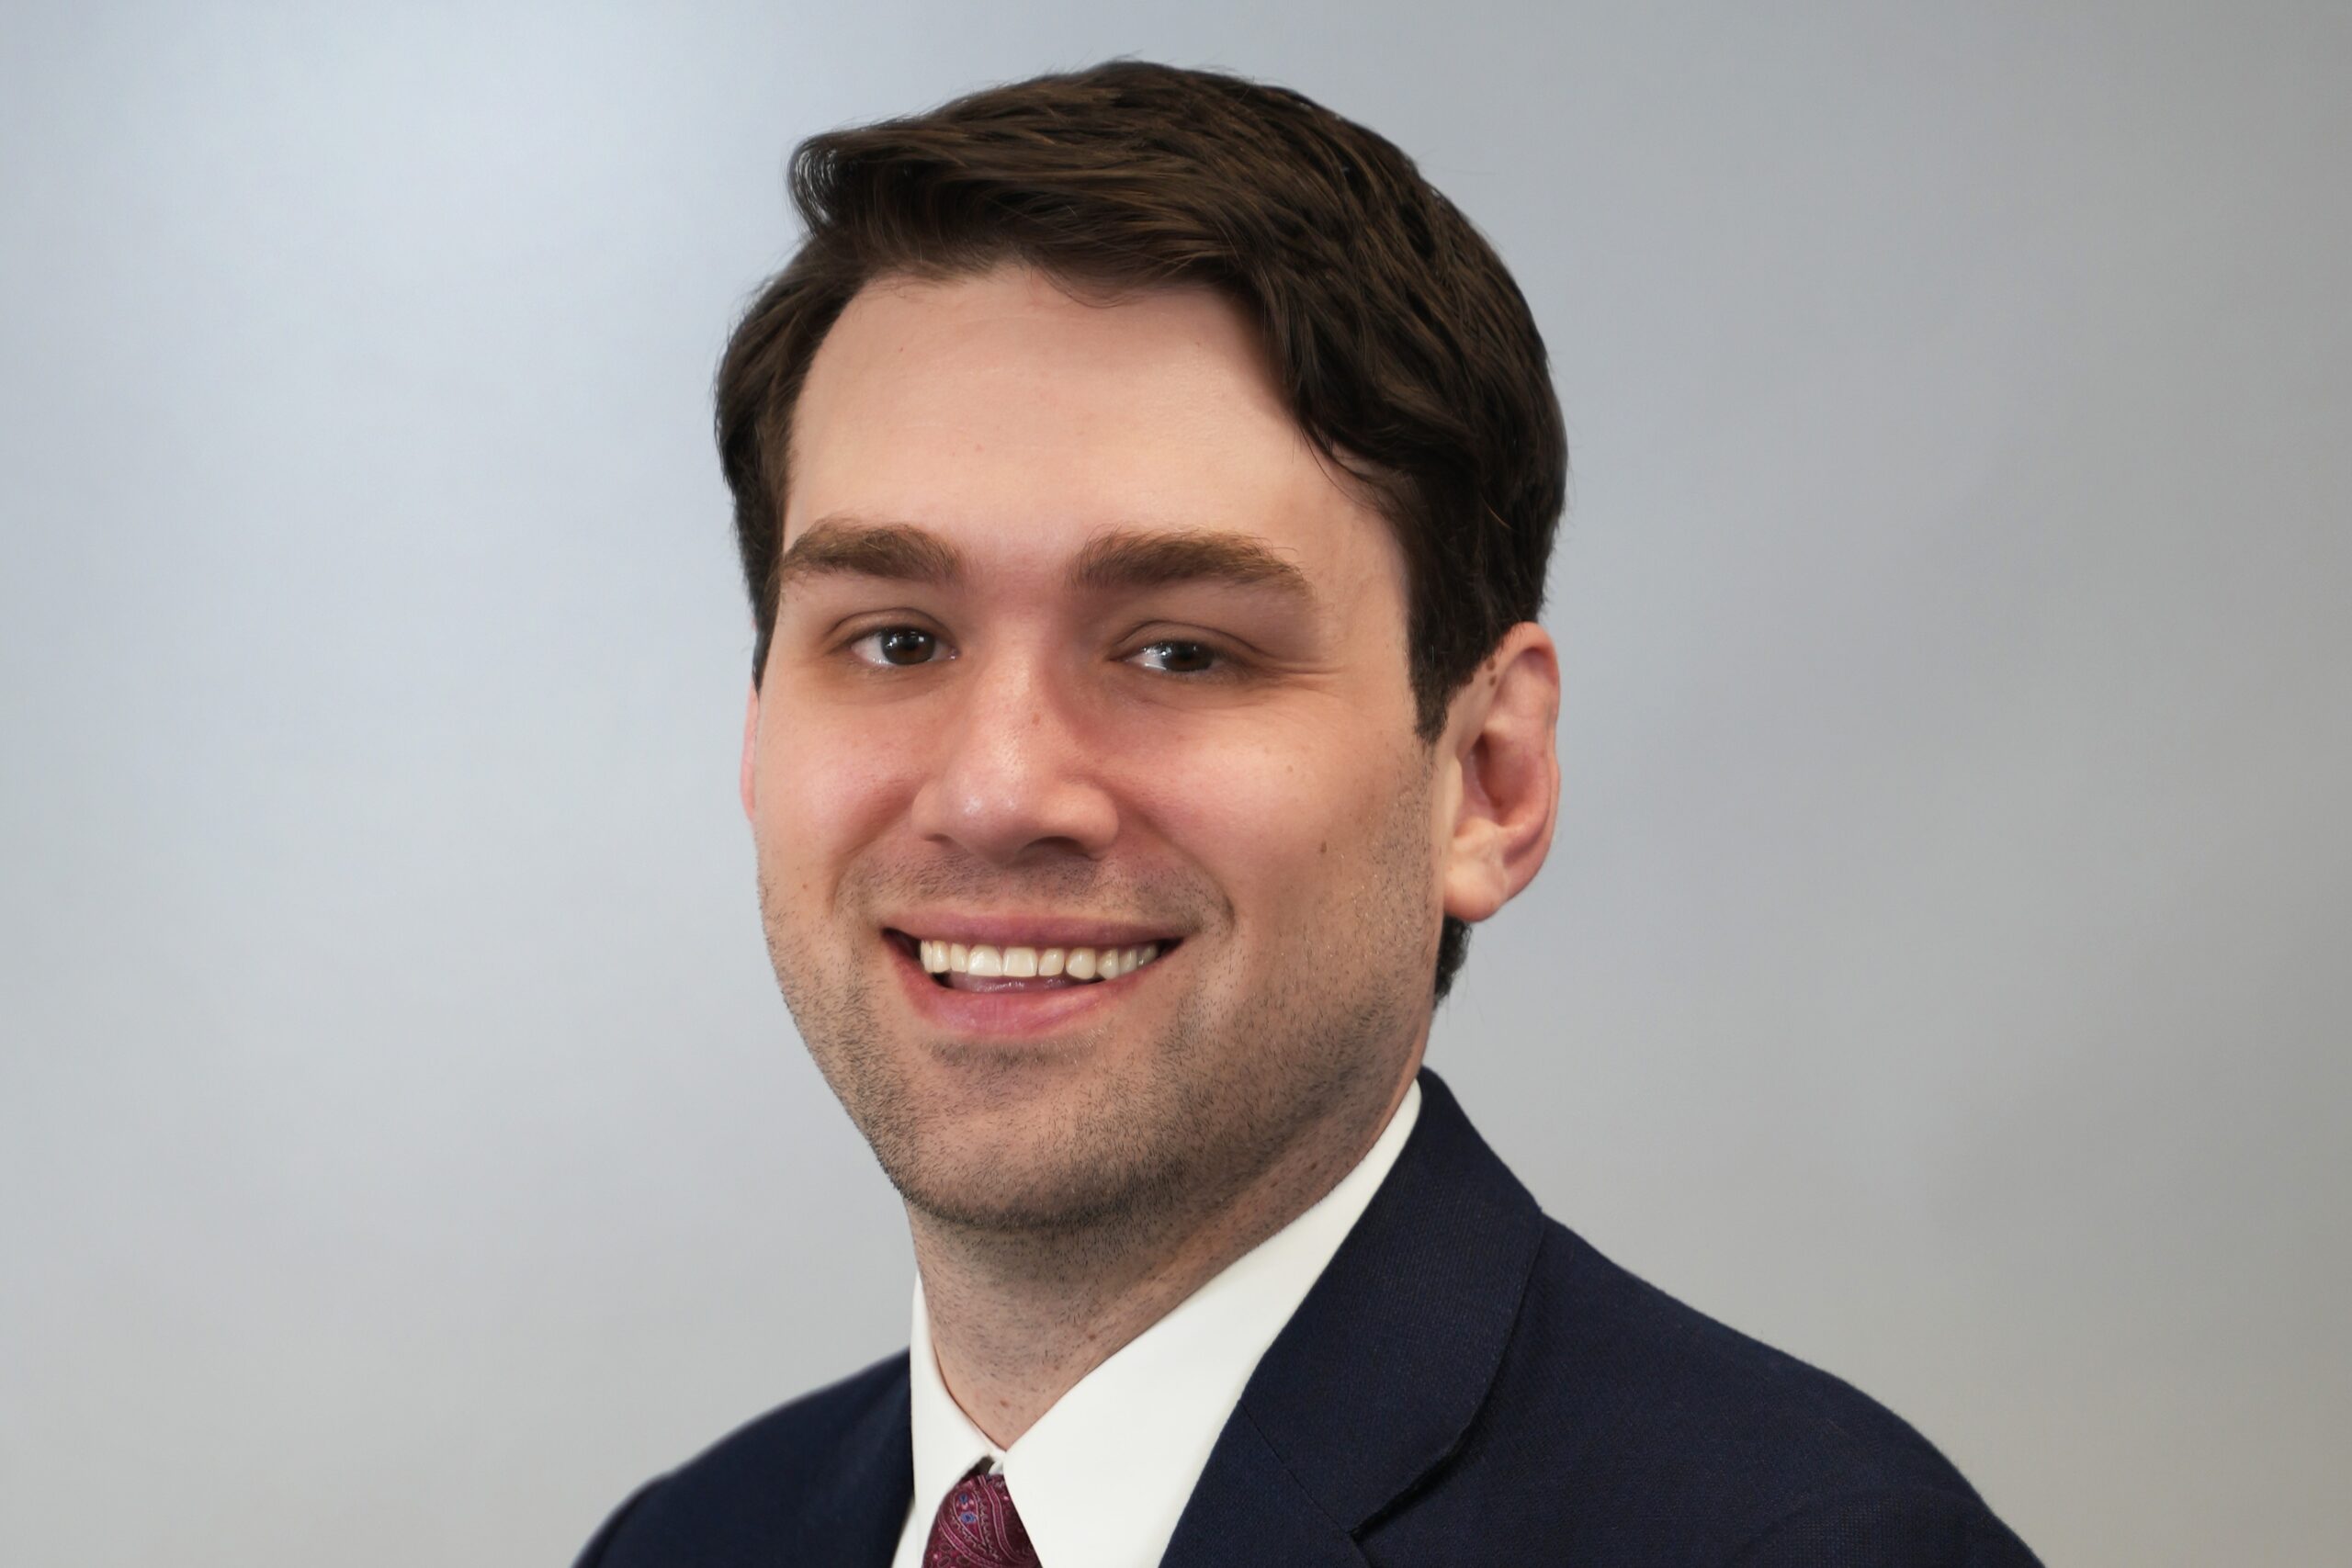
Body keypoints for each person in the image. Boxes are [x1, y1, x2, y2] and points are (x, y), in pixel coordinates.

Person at [574, 61, 2040, 1567]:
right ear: (759, 733)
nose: (998, 791)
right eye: (896, 641)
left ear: (1488, 777)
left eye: (1180, 652)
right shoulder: (685, 1544)